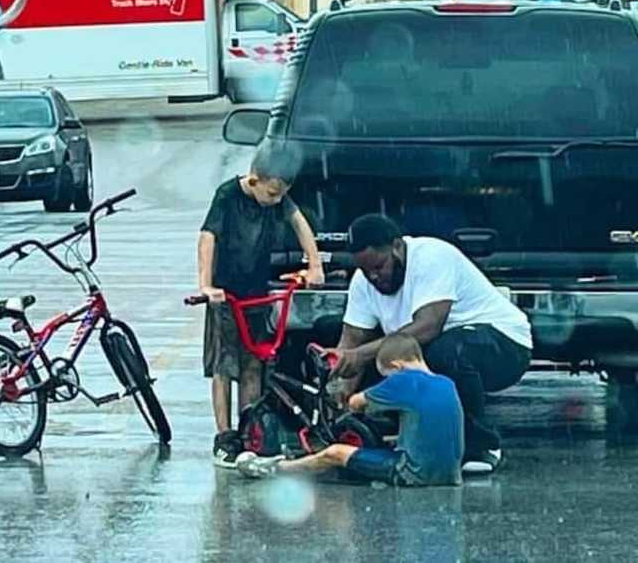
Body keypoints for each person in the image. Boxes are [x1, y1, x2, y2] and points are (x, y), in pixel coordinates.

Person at [329, 214, 532, 474]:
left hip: (505, 345)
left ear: (397, 247)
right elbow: (352, 340)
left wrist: (358, 355)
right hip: (432, 346)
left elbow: (429, 325)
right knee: (379, 368)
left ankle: (482, 445)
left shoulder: (432, 256)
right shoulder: (363, 282)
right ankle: (401, 433)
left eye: (380, 267)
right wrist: (341, 390)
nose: (375, 277)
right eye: (366, 271)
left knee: (444, 353)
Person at [198, 140, 325, 468]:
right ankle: (225, 435)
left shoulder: (279, 200)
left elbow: (299, 223)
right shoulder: (228, 195)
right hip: (226, 295)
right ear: (254, 180)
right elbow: (207, 236)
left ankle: (248, 426)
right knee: (224, 366)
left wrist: (315, 265)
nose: (276, 200)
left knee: (254, 363)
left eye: (281, 194)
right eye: (271, 194)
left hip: (256, 292)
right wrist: (206, 284)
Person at [236, 334, 463, 486]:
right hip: (452, 475)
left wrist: (353, 396)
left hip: (414, 475)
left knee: (335, 452)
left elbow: (356, 403)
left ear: (396, 366)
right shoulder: (448, 384)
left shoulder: (403, 380)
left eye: (386, 375)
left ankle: (275, 468)